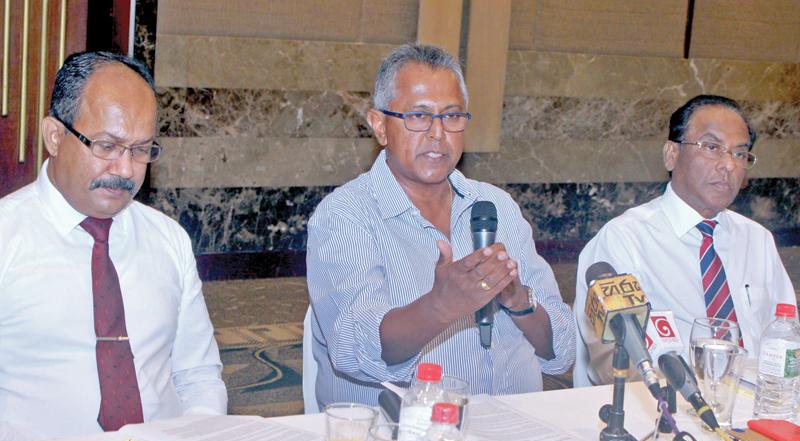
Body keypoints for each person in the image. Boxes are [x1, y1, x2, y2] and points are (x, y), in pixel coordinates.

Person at [306, 44, 575, 407]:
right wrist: (440, 305)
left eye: (451, 117)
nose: (437, 134)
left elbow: (561, 350)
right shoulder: (345, 216)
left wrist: (517, 299)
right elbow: (355, 347)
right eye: (418, 116)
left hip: (514, 428)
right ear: (380, 125)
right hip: (402, 435)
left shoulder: (497, 207)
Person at [0, 52, 227, 441]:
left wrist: (197, 436)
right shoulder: (7, 237)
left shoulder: (167, 239)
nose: (125, 170)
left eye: (141, 150)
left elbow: (198, 375)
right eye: (107, 146)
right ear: (55, 136)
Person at [573, 95, 796, 387]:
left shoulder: (757, 240)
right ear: (671, 154)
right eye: (712, 147)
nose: (728, 165)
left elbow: (786, 339)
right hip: (660, 416)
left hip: (751, 414)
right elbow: (611, 366)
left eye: (740, 154)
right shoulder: (624, 240)